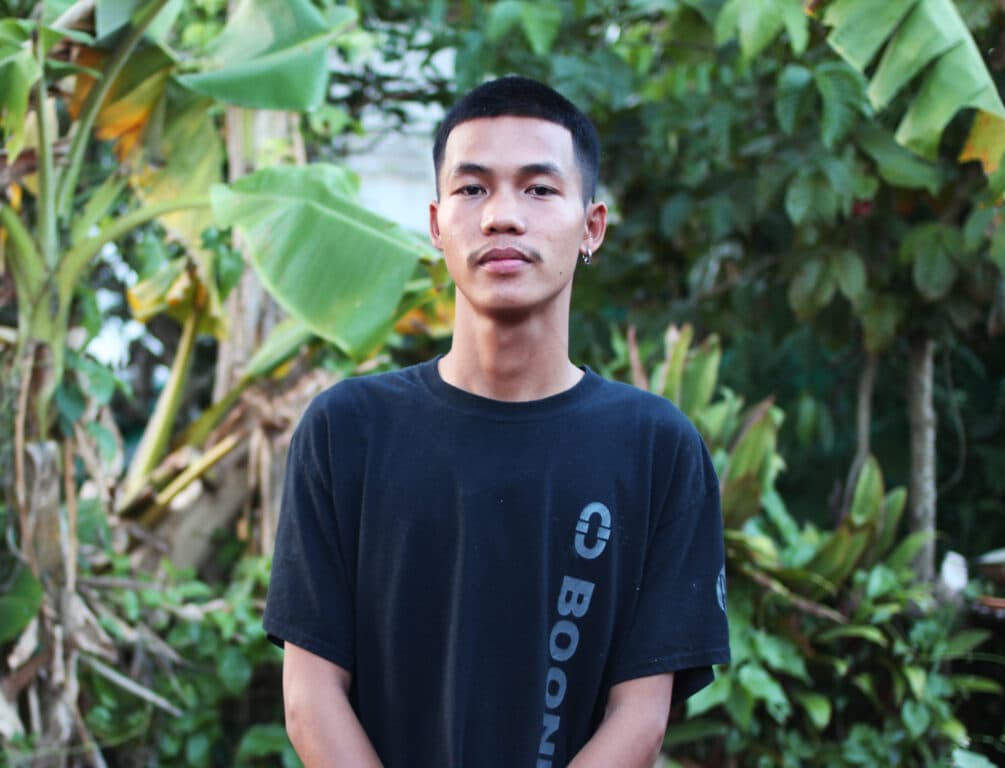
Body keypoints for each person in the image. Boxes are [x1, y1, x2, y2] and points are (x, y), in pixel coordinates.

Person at [263, 75, 730, 768]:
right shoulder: (347, 431)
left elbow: (641, 717)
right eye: (472, 188)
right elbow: (310, 696)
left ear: (592, 226)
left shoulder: (656, 448)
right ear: (436, 224)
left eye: (538, 188)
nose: (502, 217)